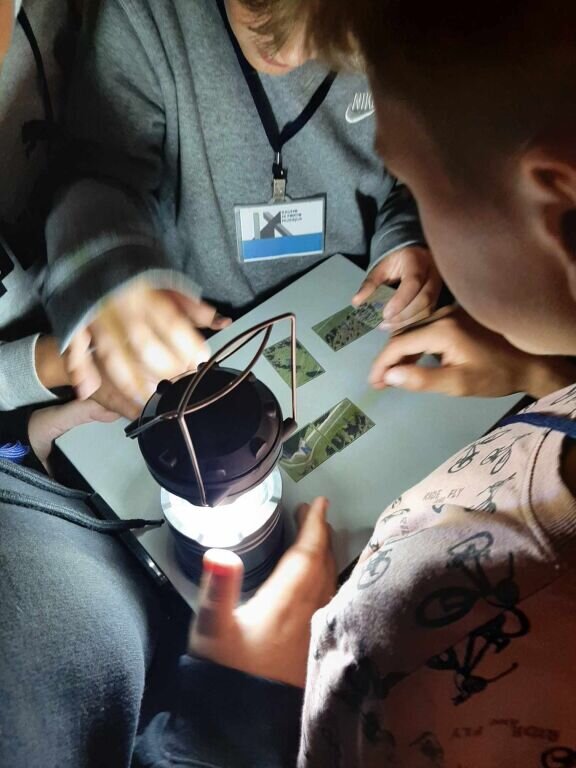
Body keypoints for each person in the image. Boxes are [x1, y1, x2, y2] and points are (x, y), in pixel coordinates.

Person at [134, 1, 576, 766]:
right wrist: (547, 370)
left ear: (559, 212)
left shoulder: (486, 644)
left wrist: (233, 714)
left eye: (416, 185)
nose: (409, 205)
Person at [42, 0, 440, 416]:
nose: (289, 53)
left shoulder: (410, 25)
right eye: (258, 5)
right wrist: (110, 266)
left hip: (359, 314)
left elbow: (424, 170)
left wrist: (407, 235)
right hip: (204, 339)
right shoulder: (144, 13)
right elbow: (98, 173)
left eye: (332, 31)